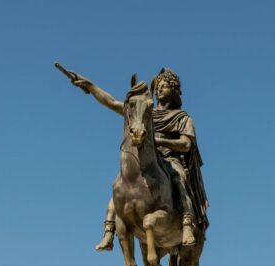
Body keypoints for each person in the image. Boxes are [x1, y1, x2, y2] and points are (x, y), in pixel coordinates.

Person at [63, 68, 208, 251]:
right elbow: (111, 102)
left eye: (165, 86)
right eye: (158, 86)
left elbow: (186, 144)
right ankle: (109, 231)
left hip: (169, 158)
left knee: (179, 176)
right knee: (121, 184)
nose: (160, 89)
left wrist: (158, 140)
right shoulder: (144, 110)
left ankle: (187, 223)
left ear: (174, 90)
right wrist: (90, 86)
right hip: (146, 159)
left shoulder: (183, 118)